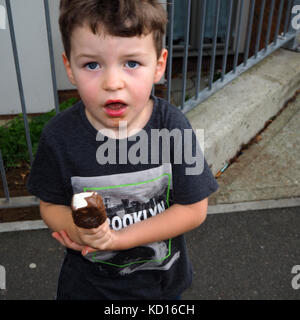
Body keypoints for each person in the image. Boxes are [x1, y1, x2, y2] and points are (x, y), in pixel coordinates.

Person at [27, 0, 219, 300]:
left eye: (131, 63)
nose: (112, 83)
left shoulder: (172, 127)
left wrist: (118, 239)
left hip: (161, 288)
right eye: (92, 64)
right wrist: (80, 232)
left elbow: (194, 209)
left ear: (158, 65)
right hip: (88, 289)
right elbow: (50, 206)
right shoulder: (59, 137)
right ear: (70, 68)